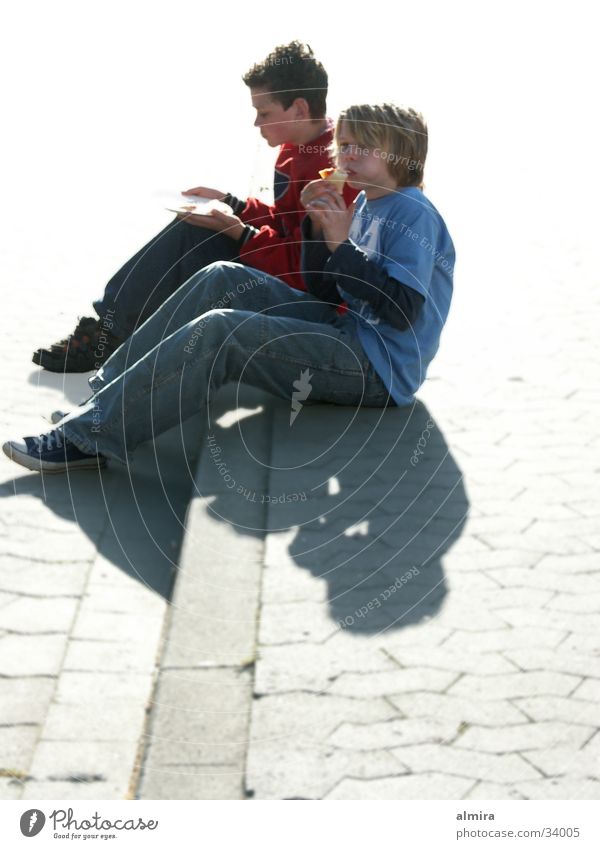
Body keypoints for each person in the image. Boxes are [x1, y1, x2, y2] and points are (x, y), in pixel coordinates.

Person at [3, 103, 455, 474]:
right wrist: (318, 231)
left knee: (222, 332)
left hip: (377, 370)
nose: (347, 157)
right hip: (346, 330)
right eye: (345, 146)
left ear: (400, 157)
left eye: (365, 149)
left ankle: (88, 438)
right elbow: (326, 289)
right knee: (223, 276)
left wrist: (339, 243)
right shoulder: (365, 202)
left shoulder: (412, 213)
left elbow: (402, 312)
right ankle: (102, 399)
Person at [32, 40, 353, 373]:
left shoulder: (330, 172)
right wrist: (234, 204)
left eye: (264, 113)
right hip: (284, 271)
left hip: (310, 302)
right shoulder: (296, 147)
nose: (256, 123)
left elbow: (307, 269)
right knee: (195, 225)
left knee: (198, 238)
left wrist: (239, 233)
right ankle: (113, 330)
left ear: (299, 109)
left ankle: (110, 335)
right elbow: (285, 225)